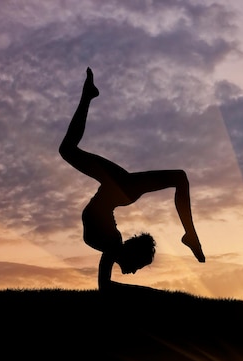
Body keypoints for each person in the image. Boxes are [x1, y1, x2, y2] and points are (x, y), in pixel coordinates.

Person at [60, 68, 205, 290]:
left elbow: (105, 285)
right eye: (139, 265)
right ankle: (191, 235)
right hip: (122, 188)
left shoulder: (111, 246)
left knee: (179, 178)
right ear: (131, 253)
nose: (134, 271)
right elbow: (105, 287)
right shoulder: (111, 245)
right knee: (179, 178)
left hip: (119, 189)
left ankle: (88, 95)